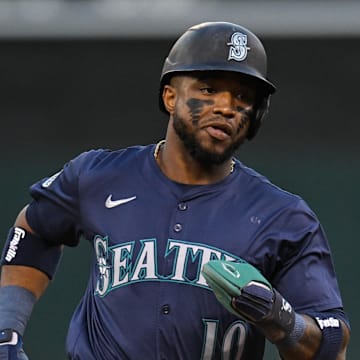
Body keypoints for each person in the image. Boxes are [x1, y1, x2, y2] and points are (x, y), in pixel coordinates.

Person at [0, 21, 350, 360]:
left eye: (242, 96)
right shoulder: (98, 177)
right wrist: (7, 331)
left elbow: (332, 342)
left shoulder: (282, 216)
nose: (226, 107)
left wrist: (281, 319)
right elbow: (33, 231)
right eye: (208, 89)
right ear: (170, 97)